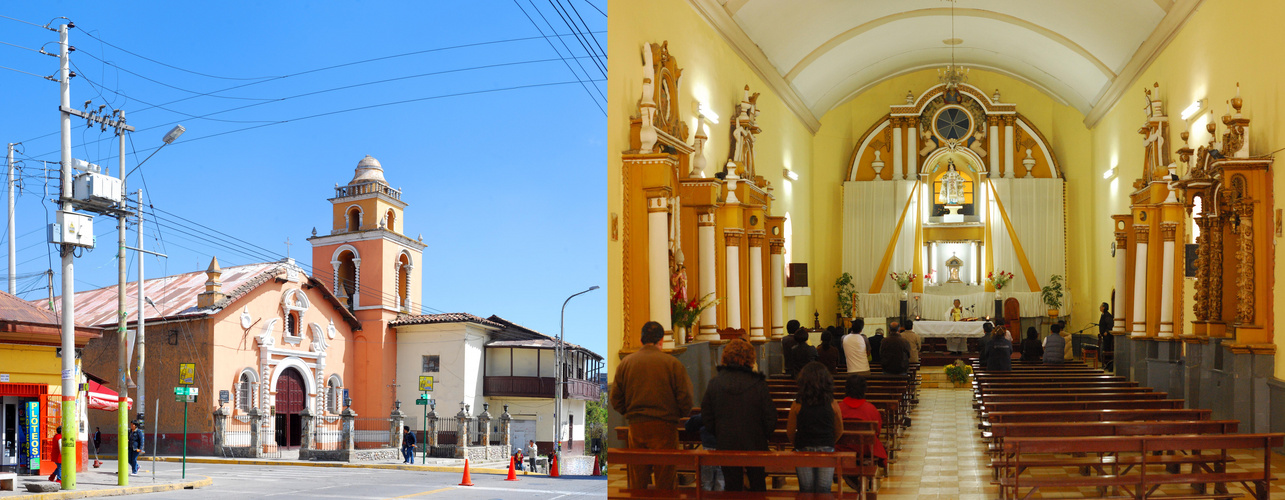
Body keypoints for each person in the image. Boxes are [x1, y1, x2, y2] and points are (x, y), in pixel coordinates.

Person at [611, 321, 694, 490]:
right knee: (666, 481)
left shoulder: (626, 363)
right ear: (661, 340)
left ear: (641, 340)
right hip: (665, 427)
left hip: (636, 427)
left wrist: (630, 413)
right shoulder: (672, 364)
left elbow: (615, 399)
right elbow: (686, 398)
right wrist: (675, 416)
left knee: (638, 480)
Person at [701, 339, 775, 492]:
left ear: (725, 357)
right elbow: (770, 418)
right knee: (757, 484)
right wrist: (763, 435)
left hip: (726, 443)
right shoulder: (759, 384)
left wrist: (720, 433)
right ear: (750, 358)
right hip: (755, 444)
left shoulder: (715, 383)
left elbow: (707, 417)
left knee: (732, 486)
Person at [786, 362, 844, 493]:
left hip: (803, 447)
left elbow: (789, 431)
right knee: (824, 488)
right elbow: (840, 429)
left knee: (806, 488)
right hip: (826, 447)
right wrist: (830, 442)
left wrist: (796, 444)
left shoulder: (797, 404)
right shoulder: (832, 403)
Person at [836, 374, 887, 490]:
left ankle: (854, 480)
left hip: (843, 448)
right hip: (866, 448)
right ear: (864, 389)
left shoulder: (839, 408)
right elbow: (877, 432)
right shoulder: (871, 409)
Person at [683, 414, 724, 491]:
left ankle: (706, 495)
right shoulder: (726, 413)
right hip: (723, 450)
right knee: (721, 482)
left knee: (707, 482)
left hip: (707, 450)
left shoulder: (706, 415)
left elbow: (688, 426)